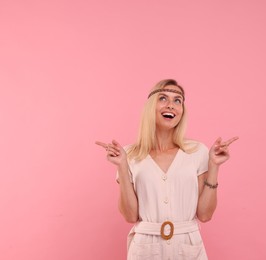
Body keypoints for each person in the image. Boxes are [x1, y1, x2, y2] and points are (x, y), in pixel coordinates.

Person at [96, 79, 238, 259]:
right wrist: (122, 167)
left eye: (177, 100)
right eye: (163, 98)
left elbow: (205, 215)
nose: (171, 105)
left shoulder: (197, 152)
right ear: (150, 106)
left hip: (188, 247)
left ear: (182, 111)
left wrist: (214, 166)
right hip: (145, 248)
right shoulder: (129, 154)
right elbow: (130, 216)